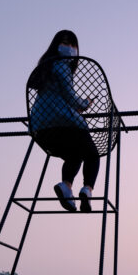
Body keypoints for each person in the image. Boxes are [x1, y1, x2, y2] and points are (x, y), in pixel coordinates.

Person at [29, 30, 99, 212]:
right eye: (66, 43)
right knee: (92, 155)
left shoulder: (44, 67)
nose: (69, 48)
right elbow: (71, 98)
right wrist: (86, 103)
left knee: (74, 155)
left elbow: (56, 97)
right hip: (62, 124)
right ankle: (87, 189)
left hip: (40, 128)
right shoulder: (61, 66)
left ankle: (66, 187)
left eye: (72, 44)